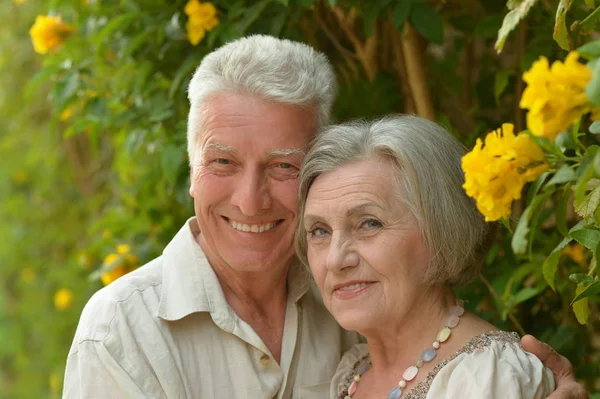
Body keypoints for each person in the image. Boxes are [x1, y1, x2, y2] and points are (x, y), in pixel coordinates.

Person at [63, 35, 587, 398]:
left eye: (283, 166)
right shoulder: (120, 333)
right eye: (222, 161)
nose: (250, 200)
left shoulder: (354, 306)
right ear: (191, 169)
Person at [294, 115, 566, 398]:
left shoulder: (486, 377)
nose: (335, 260)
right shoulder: (353, 373)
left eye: (369, 223)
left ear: (440, 229)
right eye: (319, 231)